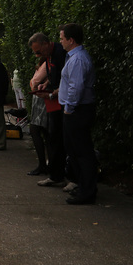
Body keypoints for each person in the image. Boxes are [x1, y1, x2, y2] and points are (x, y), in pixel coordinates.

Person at [57, 23, 97, 205]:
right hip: (75, 110)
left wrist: (69, 108)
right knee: (74, 151)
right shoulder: (73, 57)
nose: (60, 42)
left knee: (82, 152)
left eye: (62, 38)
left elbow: (76, 87)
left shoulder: (78, 59)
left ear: (71, 40)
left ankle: (87, 191)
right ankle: (82, 187)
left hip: (78, 111)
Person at [31, 32, 70, 189]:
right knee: (52, 137)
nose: (37, 55)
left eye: (39, 51)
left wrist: (52, 93)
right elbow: (54, 76)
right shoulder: (50, 56)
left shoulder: (60, 54)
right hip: (54, 100)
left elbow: (66, 79)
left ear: (46, 44)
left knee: (58, 138)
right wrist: (46, 84)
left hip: (60, 101)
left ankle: (60, 175)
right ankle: (55, 174)